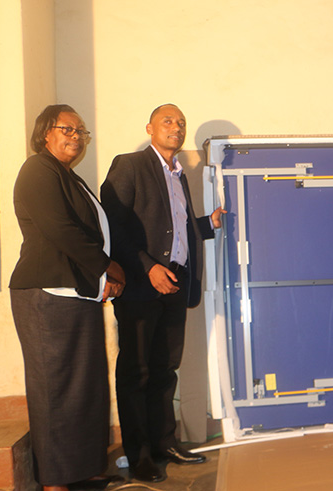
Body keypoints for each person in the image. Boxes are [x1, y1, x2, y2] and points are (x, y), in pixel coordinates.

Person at [101, 104, 225, 482]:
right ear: (150, 128)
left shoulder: (178, 174)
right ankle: (137, 454)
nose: (176, 127)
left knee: (164, 369)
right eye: (168, 121)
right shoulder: (130, 165)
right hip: (141, 284)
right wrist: (147, 266)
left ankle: (164, 443)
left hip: (176, 283)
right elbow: (114, 226)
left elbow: (175, 228)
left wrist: (208, 224)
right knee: (136, 371)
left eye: (181, 123)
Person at [9, 104, 125, 490]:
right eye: (67, 129)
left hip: (75, 294)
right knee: (55, 390)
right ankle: (56, 480)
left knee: (86, 387)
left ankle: (85, 468)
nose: (76, 137)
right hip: (46, 294)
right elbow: (60, 229)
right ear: (46, 132)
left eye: (81, 132)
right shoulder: (37, 169)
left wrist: (99, 278)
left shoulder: (68, 177)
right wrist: (107, 265)